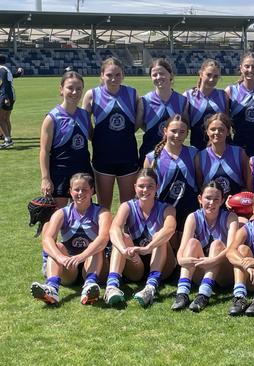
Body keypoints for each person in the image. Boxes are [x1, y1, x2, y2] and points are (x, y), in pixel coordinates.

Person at [30, 173, 111, 306]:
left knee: (96, 247)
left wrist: (82, 256)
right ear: (70, 191)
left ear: (92, 191)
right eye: (76, 189)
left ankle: (90, 286)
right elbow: (47, 240)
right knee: (58, 247)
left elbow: (103, 238)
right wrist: (61, 258)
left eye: (84, 189)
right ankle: (52, 289)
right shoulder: (62, 213)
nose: (80, 193)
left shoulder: (102, 213)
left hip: (97, 266)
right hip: (70, 267)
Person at [106, 168, 177, 307]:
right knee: (123, 237)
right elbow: (114, 229)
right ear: (135, 187)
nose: (145, 190)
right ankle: (111, 286)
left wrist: (149, 247)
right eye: (141, 186)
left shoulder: (167, 208)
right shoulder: (127, 206)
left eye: (150, 186)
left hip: (163, 265)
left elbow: (170, 229)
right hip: (136, 263)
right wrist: (123, 249)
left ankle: (151, 287)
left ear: (157, 187)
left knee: (160, 236)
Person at [172, 181, 238, 312]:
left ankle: (204, 294)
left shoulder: (231, 217)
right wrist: (181, 260)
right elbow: (182, 249)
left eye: (216, 199)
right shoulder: (193, 217)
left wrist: (213, 260)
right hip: (201, 270)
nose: (212, 203)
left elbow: (231, 250)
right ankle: (182, 294)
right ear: (200, 199)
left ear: (222, 201)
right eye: (208, 198)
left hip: (223, 272)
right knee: (192, 243)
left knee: (218, 244)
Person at [82, 57, 139, 210]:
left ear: (123, 75)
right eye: (109, 75)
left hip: (128, 156)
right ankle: (104, 234)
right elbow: (84, 124)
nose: (113, 79)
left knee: (127, 207)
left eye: (118, 75)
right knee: (103, 206)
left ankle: (125, 234)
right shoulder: (92, 94)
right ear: (102, 75)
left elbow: (137, 123)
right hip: (103, 157)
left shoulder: (132, 93)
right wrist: (97, 138)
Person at [39, 71, 93, 209]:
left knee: (83, 216)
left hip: (83, 173)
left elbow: (95, 138)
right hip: (60, 174)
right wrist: (45, 178)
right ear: (61, 89)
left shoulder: (85, 116)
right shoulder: (52, 118)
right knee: (58, 217)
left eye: (79, 89)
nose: (74, 92)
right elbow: (44, 151)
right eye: (70, 88)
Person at [143, 114, 200, 238]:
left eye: (182, 132)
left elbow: (200, 183)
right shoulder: (151, 157)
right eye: (173, 131)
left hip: (189, 209)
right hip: (163, 210)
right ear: (165, 131)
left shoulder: (193, 153)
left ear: (187, 134)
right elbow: (146, 189)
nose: (177, 135)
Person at [136, 58, 187, 166]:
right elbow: (136, 127)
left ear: (170, 75)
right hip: (149, 154)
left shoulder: (182, 101)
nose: (158, 77)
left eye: (162, 73)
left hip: (175, 156)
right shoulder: (144, 101)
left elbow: (187, 127)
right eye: (154, 75)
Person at [198, 113, 252, 198]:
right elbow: (200, 187)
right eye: (213, 129)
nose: (217, 132)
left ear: (227, 132)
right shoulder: (200, 157)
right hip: (212, 207)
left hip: (236, 208)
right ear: (207, 131)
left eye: (221, 130)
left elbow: (248, 185)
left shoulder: (240, 153)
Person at [184, 58, 228, 150]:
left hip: (221, 149)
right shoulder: (188, 96)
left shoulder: (223, 96)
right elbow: (185, 126)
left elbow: (227, 124)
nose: (211, 79)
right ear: (201, 74)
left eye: (216, 76)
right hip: (197, 148)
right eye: (208, 75)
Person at [0, 53, 23, 149]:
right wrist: (18, 73)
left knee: (1, 118)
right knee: (6, 118)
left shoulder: (1, 70)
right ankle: (9, 138)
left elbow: (6, 84)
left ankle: (7, 140)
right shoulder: (5, 69)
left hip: (6, 95)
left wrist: (5, 98)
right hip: (11, 95)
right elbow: (9, 79)